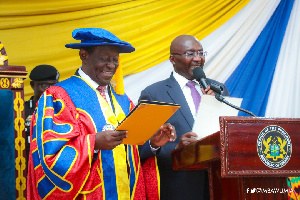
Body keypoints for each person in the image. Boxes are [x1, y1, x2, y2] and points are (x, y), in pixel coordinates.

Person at [27, 28, 176, 200]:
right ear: (84, 55)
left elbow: (132, 151)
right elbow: (48, 158)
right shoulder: (59, 96)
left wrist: (152, 142)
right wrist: (94, 143)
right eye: (104, 59)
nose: (112, 65)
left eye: (115, 59)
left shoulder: (122, 100)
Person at [139, 35, 230, 200]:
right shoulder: (154, 93)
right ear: (172, 59)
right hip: (179, 187)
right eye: (190, 53)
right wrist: (177, 151)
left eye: (201, 53)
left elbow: (229, 131)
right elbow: (141, 146)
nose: (198, 58)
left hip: (219, 183)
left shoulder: (218, 89)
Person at [25, 64, 59, 163]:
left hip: (54, 167)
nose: (49, 90)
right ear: (32, 85)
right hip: (27, 167)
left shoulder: (62, 110)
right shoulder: (20, 110)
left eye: (53, 85)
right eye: (43, 85)